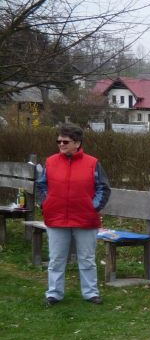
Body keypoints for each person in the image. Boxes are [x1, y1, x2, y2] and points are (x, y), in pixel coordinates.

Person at [36, 123, 111, 305]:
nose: (61, 144)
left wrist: (92, 207)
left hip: (85, 218)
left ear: (77, 143)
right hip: (56, 218)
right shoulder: (50, 162)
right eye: (59, 141)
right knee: (56, 259)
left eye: (65, 141)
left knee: (86, 259)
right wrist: (46, 203)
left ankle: (91, 293)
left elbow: (103, 188)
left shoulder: (92, 163)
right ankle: (54, 293)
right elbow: (41, 185)